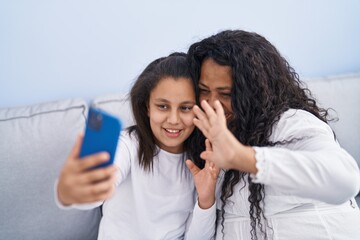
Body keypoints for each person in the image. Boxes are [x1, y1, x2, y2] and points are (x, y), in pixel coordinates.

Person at [185, 30, 360, 239]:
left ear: (255, 91)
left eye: (226, 94)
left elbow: (345, 181)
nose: (211, 104)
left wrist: (241, 156)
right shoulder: (201, 142)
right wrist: (206, 201)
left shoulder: (290, 124)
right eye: (204, 90)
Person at [56, 53, 219, 239]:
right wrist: (74, 191)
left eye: (185, 108)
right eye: (163, 106)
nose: (174, 120)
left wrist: (206, 199)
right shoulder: (127, 144)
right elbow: (94, 191)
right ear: (147, 107)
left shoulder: (201, 161)